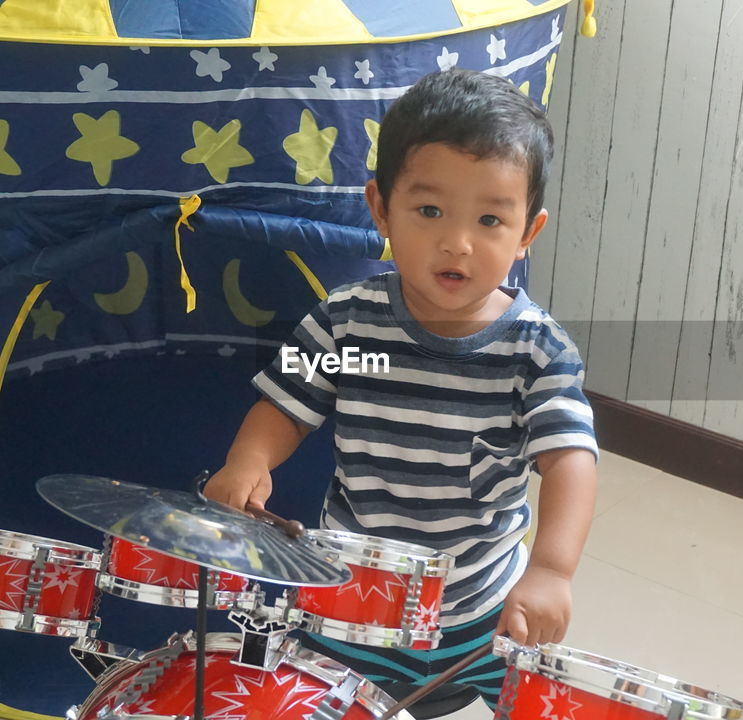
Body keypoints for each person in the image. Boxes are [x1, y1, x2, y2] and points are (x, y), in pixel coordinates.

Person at [204, 68, 598, 714]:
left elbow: (570, 461)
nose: (458, 242)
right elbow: (287, 405)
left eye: (492, 219)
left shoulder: (535, 351)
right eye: (430, 210)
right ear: (381, 208)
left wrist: (552, 571)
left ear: (528, 232)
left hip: (482, 616)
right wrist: (250, 459)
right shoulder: (350, 322)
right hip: (348, 606)